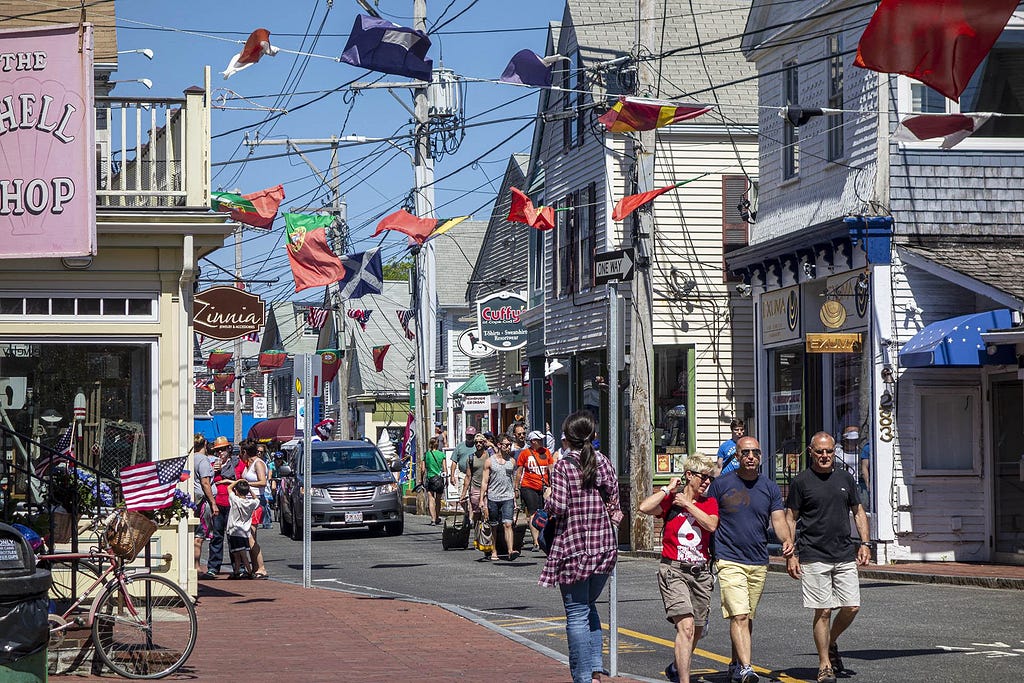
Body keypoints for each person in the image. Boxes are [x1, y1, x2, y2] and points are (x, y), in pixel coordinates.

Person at [539, 410, 623, 683]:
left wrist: (548, 498)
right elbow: (615, 506)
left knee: (576, 613)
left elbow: (559, 507)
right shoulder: (604, 462)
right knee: (589, 605)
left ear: (567, 439)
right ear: (593, 436)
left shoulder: (564, 466)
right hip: (604, 546)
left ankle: (583, 676)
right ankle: (595, 670)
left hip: (574, 544)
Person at [706, 435, 794, 683]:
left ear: (761, 455)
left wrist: (787, 541)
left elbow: (778, 519)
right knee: (740, 615)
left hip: (757, 560)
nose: (751, 457)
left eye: (755, 452)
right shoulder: (721, 484)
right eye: (745, 453)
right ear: (737, 456)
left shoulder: (769, 487)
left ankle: (735, 663)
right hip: (728, 557)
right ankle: (746, 668)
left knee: (746, 615)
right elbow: (708, 519)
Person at [785, 432, 871, 683]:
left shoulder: (845, 478)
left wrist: (864, 543)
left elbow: (858, 511)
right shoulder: (802, 482)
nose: (825, 456)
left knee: (852, 606)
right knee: (822, 611)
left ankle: (830, 641)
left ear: (835, 452)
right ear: (811, 452)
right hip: (813, 554)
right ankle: (824, 665)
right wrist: (791, 554)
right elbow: (791, 517)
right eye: (820, 451)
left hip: (844, 553)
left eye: (829, 451)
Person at [639, 454, 719, 683]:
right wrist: (667, 490)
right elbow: (644, 507)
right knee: (686, 626)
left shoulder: (709, 502)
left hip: (701, 573)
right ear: (689, 475)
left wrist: (688, 505)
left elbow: (711, 524)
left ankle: (676, 666)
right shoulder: (671, 500)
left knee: (696, 630)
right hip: (673, 570)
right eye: (703, 477)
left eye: (710, 478)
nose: (707, 482)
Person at [202, 436, 236, 579]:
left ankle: (238, 567)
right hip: (217, 503)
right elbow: (207, 481)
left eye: (223, 449)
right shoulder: (212, 464)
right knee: (217, 536)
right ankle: (213, 567)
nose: (221, 452)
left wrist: (222, 470)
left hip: (232, 503)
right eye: (218, 450)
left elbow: (239, 478)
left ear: (229, 449)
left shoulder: (236, 462)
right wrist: (214, 470)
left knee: (234, 536)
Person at [480, 434, 518, 561]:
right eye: (506, 445)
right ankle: (494, 550)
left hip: (508, 497)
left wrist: (515, 497)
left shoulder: (512, 462)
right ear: (499, 445)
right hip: (493, 497)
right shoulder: (490, 461)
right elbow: (485, 482)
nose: (508, 447)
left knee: (508, 524)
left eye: (509, 445)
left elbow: (513, 480)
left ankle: (510, 551)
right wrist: (482, 500)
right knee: (494, 525)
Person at [516, 430, 555, 552]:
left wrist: (553, 484)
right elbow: (519, 471)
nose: (542, 442)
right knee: (533, 512)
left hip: (543, 486)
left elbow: (551, 469)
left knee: (544, 512)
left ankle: (544, 537)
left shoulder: (547, 452)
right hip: (528, 485)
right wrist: (516, 487)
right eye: (539, 440)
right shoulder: (525, 453)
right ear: (533, 441)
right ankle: (536, 541)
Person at [239, 440, 270, 579]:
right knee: (249, 535)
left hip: (257, 502)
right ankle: (254, 568)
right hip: (248, 502)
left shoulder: (258, 463)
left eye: (241, 451)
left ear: (245, 452)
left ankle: (262, 568)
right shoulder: (249, 464)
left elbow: (263, 482)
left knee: (251, 535)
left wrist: (246, 483)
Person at [191, 434, 218, 572]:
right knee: (199, 536)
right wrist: (213, 502)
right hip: (203, 500)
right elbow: (205, 482)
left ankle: (195, 567)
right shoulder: (202, 460)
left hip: (195, 499)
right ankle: (196, 568)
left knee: (196, 535)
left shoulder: (192, 458)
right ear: (205, 443)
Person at [226, 479, 260, 579]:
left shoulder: (235, 500)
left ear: (237, 491)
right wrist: (249, 489)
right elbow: (257, 499)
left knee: (241, 554)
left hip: (234, 530)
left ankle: (249, 571)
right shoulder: (251, 503)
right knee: (238, 553)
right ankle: (236, 571)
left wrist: (239, 480)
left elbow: (229, 488)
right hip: (245, 531)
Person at [460, 432, 491, 538]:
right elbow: (468, 476)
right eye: (476, 442)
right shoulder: (471, 458)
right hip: (475, 488)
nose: (478, 444)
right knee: (476, 514)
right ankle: (478, 537)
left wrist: (491, 444)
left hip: (488, 488)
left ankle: (487, 537)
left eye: (480, 442)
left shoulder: (489, 456)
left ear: (484, 443)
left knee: (487, 512)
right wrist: (463, 493)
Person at [835, 426, 871, 512]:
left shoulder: (860, 452)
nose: (853, 443)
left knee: (860, 507)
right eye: (851, 441)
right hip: (842, 483)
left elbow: (864, 467)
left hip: (858, 483)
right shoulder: (838, 452)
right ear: (845, 441)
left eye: (855, 441)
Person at [420, 436, 446, 525]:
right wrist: (446, 479)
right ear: (437, 444)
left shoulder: (426, 454)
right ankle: (437, 517)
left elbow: (422, 469)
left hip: (430, 478)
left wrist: (421, 479)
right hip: (439, 479)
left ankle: (433, 519)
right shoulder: (442, 454)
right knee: (438, 499)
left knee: (431, 499)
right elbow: (445, 469)